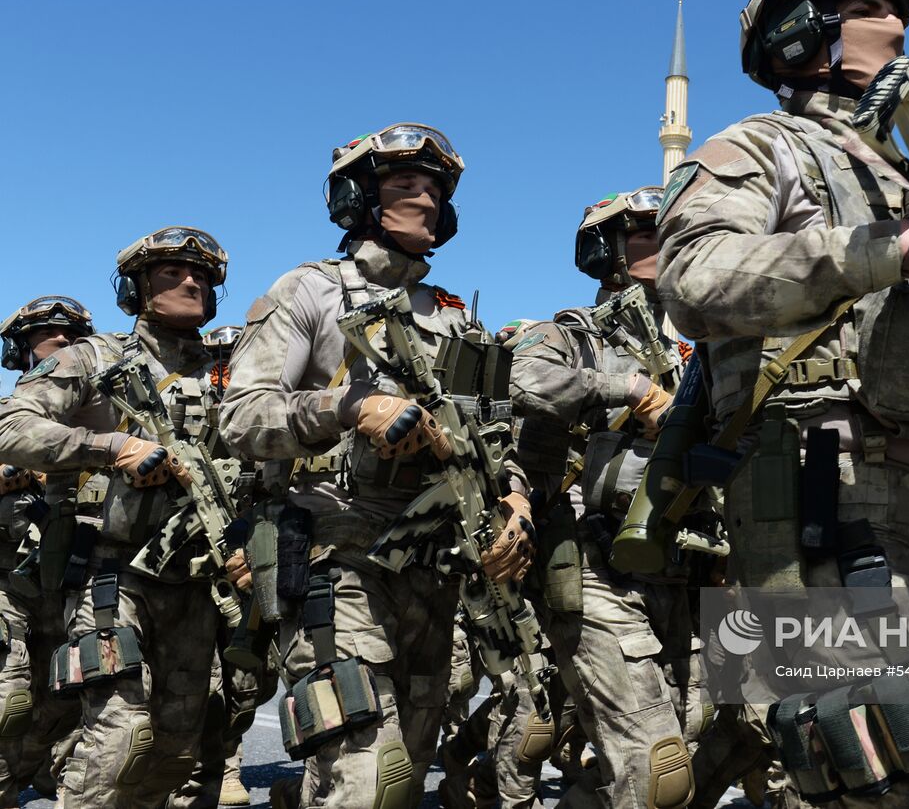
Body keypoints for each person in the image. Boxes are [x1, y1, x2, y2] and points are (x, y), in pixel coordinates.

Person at [657, 0, 909, 808]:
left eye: (900, 9)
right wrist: (891, 251)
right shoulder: (763, 147)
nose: (895, 27)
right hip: (828, 530)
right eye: (868, 8)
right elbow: (692, 278)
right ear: (801, 34)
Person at [218, 123, 532, 809]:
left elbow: (497, 440)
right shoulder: (310, 291)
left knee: (400, 776)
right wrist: (347, 408)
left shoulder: (457, 322)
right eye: (404, 181)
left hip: (432, 570)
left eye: (435, 186)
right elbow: (240, 417)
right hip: (338, 559)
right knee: (369, 781)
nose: (425, 196)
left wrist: (516, 501)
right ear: (360, 195)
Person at [510, 186, 735, 808]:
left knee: (692, 732)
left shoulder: (709, 341)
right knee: (654, 764)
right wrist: (629, 388)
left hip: (689, 566)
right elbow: (529, 380)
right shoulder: (572, 332)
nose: (663, 241)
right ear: (605, 248)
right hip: (597, 563)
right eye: (644, 232)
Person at [0, 229, 236, 808]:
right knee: (121, 735)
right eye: (171, 273)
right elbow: (12, 427)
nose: (190, 282)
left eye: (201, 276)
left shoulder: (232, 373)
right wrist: (112, 447)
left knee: (179, 749)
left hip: (197, 582)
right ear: (135, 289)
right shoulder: (93, 358)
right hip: (109, 577)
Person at [0, 297, 92, 806]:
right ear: (20, 350)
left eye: (73, 333)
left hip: (67, 582)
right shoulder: (7, 417)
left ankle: (35, 768)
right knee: (10, 698)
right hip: (7, 585)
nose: (62, 340)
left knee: (67, 697)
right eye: (47, 333)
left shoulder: (107, 418)